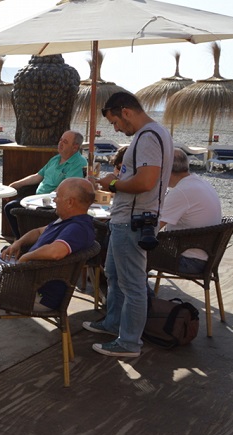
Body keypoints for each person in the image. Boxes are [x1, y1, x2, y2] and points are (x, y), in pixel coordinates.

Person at [84, 91, 173, 358]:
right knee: (113, 274)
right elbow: (142, 177)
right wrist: (116, 179)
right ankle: (114, 323)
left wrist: (111, 184)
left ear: (125, 111)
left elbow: (146, 182)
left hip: (133, 222)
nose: (116, 128)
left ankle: (129, 342)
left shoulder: (146, 137)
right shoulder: (156, 134)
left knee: (132, 284)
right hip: (128, 219)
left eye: (115, 122)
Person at [0, 178, 96, 310]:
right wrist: (18, 243)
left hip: (35, 294)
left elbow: (55, 252)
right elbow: (38, 232)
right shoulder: (67, 220)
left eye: (57, 196)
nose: (54, 200)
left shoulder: (77, 229)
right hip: (26, 280)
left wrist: (26, 257)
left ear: (70, 202)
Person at [3, 130, 87, 239]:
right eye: (60, 140)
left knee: (22, 213)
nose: (60, 143)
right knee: (10, 207)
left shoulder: (78, 163)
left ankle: (25, 243)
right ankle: (20, 242)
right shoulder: (56, 158)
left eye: (65, 142)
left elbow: (66, 188)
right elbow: (38, 176)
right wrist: (15, 185)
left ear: (75, 147)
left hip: (53, 204)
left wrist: (48, 196)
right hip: (37, 198)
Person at [157, 147, 222, 273]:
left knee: (133, 250)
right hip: (209, 257)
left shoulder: (181, 191)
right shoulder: (199, 182)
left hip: (190, 261)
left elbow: (154, 227)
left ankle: (140, 291)